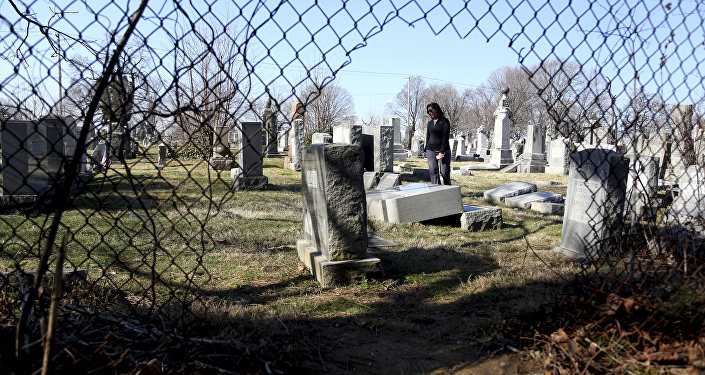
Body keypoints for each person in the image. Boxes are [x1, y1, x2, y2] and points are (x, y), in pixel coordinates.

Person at [424, 102, 451, 185]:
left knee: (444, 172)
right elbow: (428, 136)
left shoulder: (444, 121)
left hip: (444, 150)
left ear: (436, 110)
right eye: (428, 111)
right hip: (431, 150)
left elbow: (445, 137)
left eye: (431, 110)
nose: (429, 113)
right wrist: (425, 150)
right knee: (433, 172)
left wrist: (442, 152)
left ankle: (448, 190)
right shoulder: (430, 123)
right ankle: (437, 191)